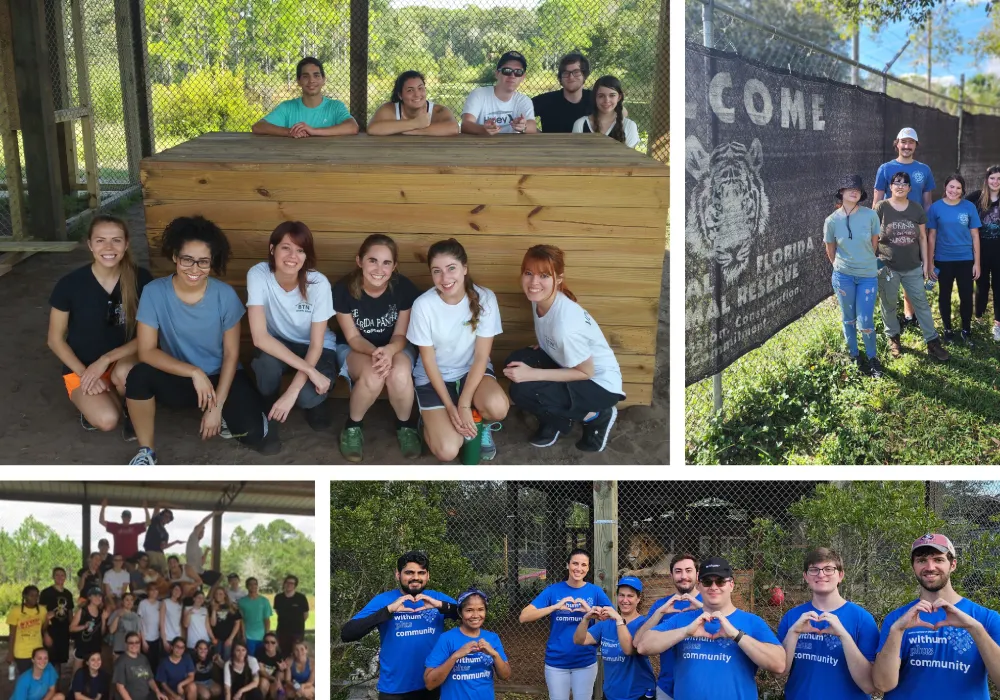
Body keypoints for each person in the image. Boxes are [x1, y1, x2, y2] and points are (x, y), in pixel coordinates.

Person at [124, 216, 279, 465]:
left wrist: (216, 407)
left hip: (221, 376)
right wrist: (194, 372)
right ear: (175, 256)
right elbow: (147, 351)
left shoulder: (224, 295)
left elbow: (231, 355)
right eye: (187, 259)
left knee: (256, 436)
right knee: (139, 375)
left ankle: (226, 412)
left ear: (212, 263)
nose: (194, 269)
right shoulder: (154, 292)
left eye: (203, 262)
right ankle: (146, 452)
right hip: (182, 376)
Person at [503, 245, 623, 452]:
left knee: (522, 388)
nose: (534, 282)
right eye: (529, 273)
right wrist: (547, 346)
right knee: (516, 360)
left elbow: (586, 372)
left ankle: (595, 416)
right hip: (569, 364)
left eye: (544, 275)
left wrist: (533, 373)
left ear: (558, 279)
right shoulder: (538, 298)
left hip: (599, 385)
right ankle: (557, 418)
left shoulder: (564, 325)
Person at [47, 214, 153, 437]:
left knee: (125, 373)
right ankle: (118, 403)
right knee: (106, 420)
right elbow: (54, 339)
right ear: (90, 245)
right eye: (100, 240)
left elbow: (149, 335)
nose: (108, 247)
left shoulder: (141, 279)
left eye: (116, 240)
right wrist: (86, 373)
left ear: (126, 244)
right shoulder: (70, 284)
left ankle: (127, 402)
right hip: (82, 366)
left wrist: (105, 360)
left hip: (122, 361)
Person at [407, 239, 509, 462]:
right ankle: (431, 420)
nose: (445, 278)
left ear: (465, 268)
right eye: (437, 271)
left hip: (470, 372)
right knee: (448, 451)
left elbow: (482, 356)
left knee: (498, 407)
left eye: (451, 268)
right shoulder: (423, 305)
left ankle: (481, 426)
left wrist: (463, 403)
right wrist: (451, 407)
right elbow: (428, 361)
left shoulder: (485, 298)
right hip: (435, 377)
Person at [636, 557, 786, 699]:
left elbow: (779, 665)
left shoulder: (752, 622)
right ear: (699, 585)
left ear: (731, 585)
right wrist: (686, 632)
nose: (714, 587)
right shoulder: (682, 619)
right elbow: (643, 646)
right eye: (707, 582)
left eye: (720, 581)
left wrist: (737, 635)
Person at [873, 533, 1000, 698]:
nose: (930, 567)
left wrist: (975, 629)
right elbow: (882, 684)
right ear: (913, 567)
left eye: (938, 559)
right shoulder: (897, 619)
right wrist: (897, 631)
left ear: (953, 564)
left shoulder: (986, 618)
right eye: (921, 560)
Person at [332, 234, 421, 461]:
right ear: (359, 261)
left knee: (399, 373)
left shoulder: (403, 288)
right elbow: (352, 337)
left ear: (394, 267)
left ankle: (405, 427)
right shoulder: (343, 289)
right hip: (356, 348)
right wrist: (376, 353)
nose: (379, 269)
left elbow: (401, 334)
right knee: (373, 374)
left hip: (395, 346)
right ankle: (352, 427)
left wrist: (389, 351)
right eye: (372, 260)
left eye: (387, 262)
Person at [247, 222, 338, 431]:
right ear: (273, 249)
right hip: (278, 342)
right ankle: (268, 404)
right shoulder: (259, 275)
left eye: (300, 250)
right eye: (285, 247)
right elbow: (260, 338)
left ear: (306, 256)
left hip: (315, 348)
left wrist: (292, 391)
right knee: (265, 363)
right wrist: (309, 372)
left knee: (306, 397)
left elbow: (316, 345)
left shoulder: (318, 283)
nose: (292, 256)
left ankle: (315, 402)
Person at [341, 550, 459, 699]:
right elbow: (348, 633)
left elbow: (469, 614)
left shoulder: (436, 598)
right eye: (409, 572)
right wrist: (388, 610)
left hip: (432, 685)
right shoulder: (384, 600)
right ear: (398, 575)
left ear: (428, 575)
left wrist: (441, 605)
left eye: (421, 573)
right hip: (394, 691)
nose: (416, 577)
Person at [777, 548, 878, 699]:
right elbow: (779, 672)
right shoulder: (792, 617)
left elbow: (869, 685)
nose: (821, 574)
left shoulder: (862, 619)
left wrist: (844, 636)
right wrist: (793, 633)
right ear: (805, 576)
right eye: (814, 570)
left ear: (840, 575)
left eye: (828, 569)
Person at [518, 548, 614, 700]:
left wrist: (589, 612)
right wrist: (554, 607)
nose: (579, 568)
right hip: (556, 662)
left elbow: (612, 619)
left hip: (585, 662)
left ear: (588, 568)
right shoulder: (553, 590)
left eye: (584, 565)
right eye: (575, 563)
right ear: (568, 565)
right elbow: (524, 616)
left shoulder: (594, 591)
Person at [874, 171, 950, 361]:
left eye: (904, 183)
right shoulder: (881, 207)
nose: (900, 186)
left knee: (921, 304)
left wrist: (926, 264)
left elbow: (923, 237)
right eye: (896, 182)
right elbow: (873, 236)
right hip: (887, 266)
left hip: (913, 266)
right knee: (888, 303)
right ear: (890, 187)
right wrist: (873, 261)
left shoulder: (916, 208)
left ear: (909, 188)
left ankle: (932, 342)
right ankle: (893, 338)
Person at [873, 127, 937, 328]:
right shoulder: (885, 168)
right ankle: (891, 322)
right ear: (897, 144)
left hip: (914, 233)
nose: (907, 146)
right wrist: (874, 230)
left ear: (916, 145)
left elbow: (927, 202)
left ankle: (910, 316)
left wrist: (927, 228)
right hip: (889, 234)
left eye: (911, 142)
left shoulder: (924, 170)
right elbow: (876, 201)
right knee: (890, 273)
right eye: (903, 142)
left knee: (912, 271)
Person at [823, 174, 884, 376]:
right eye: (849, 188)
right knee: (848, 318)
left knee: (865, 320)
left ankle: (872, 358)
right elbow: (830, 249)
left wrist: (864, 261)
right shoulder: (831, 220)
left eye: (857, 188)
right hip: (843, 276)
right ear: (841, 192)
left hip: (867, 274)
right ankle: (855, 356)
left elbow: (874, 244)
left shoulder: (870, 215)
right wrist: (840, 267)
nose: (854, 191)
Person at [632, 554, 703, 700]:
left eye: (688, 570)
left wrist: (703, 608)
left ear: (697, 574)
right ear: (671, 575)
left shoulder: (710, 602)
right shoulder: (662, 605)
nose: (684, 576)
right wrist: (660, 613)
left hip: (701, 688)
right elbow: (637, 643)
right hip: (667, 687)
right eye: (678, 571)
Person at [573, 576, 656, 700]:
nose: (625, 600)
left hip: (638, 694)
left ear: (638, 599)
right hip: (612, 693)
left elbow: (628, 650)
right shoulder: (606, 624)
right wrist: (586, 618)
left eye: (630, 596)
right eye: (621, 595)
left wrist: (618, 619)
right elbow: (579, 640)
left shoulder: (643, 624)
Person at [425, 589, 510, 699]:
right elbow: (430, 683)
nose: (475, 615)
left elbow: (505, 676)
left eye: (480, 610)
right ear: (460, 613)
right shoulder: (447, 638)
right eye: (469, 610)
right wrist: (455, 656)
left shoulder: (492, 638)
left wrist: (494, 654)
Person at [927, 173, 982, 345]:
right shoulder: (935, 208)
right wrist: (929, 263)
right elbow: (931, 237)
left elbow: (975, 236)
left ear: (962, 190)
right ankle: (948, 329)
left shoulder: (969, 207)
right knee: (945, 295)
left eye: (958, 188)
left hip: (965, 259)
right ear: (945, 187)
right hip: (943, 259)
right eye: (951, 186)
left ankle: (966, 329)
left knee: (966, 295)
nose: (954, 190)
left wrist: (977, 263)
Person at [251, 57, 358, 138]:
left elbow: (353, 127)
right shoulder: (287, 107)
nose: (311, 80)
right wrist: (290, 132)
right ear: (299, 81)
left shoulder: (335, 106)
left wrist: (313, 131)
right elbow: (258, 126)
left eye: (316, 75)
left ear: (323, 79)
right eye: (305, 76)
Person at [461, 51, 536, 135]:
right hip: (482, 145)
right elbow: (465, 125)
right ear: (497, 74)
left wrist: (524, 126)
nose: (512, 76)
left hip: (513, 146)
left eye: (518, 72)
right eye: (507, 71)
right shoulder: (479, 94)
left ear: (522, 77)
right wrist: (483, 129)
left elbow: (533, 127)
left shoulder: (524, 100)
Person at [367, 71, 459, 136]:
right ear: (400, 95)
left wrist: (413, 131)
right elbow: (372, 129)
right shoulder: (389, 109)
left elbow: (454, 128)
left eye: (420, 88)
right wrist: (415, 123)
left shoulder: (438, 110)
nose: (417, 94)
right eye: (410, 90)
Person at [969, 165, 1000, 339]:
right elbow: (957, 204)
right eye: (992, 178)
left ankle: (997, 324)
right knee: (981, 285)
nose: (995, 182)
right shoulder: (976, 198)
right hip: (980, 250)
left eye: (999, 178)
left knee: (998, 286)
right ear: (987, 179)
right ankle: (979, 318)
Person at [571, 75, 640, 148]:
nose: (606, 100)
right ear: (595, 98)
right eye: (601, 96)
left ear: (619, 97)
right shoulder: (580, 124)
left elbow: (629, 158)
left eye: (612, 95)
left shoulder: (629, 126)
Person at [532, 52, 592, 134]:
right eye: (566, 73)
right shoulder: (546, 100)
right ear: (560, 77)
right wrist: (541, 136)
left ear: (584, 75)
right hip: (552, 146)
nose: (571, 77)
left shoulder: (595, 99)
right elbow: (518, 114)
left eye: (576, 72)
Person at [6, 586, 50, 676]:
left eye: (37, 596)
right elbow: (12, 634)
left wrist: (47, 620)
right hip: (22, 652)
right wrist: (10, 653)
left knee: (38, 677)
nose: (35, 598)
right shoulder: (16, 611)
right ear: (25, 596)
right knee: (26, 678)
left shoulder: (42, 610)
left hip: (38, 650)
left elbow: (43, 629)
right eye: (31, 595)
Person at [39, 567, 74, 676]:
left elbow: (70, 613)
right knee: (49, 660)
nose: (60, 577)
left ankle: (56, 687)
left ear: (65, 577)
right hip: (50, 631)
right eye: (57, 575)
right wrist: (45, 633)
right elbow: (41, 614)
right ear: (53, 577)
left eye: (62, 575)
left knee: (59, 661)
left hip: (63, 632)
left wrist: (72, 630)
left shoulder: (68, 594)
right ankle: (47, 687)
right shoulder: (46, 593)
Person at [115, 631, 167, 700]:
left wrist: (158, 692)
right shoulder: (121, 661)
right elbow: (120, 687)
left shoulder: (143, 658)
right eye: (131, 643)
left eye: (137, 642)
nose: (134, 645)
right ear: (126, 644)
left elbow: (150, 679)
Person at [70, 589, 108, 674]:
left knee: (93, 673)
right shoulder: (82, 611)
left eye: (100, 596)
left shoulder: (102, 612)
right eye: (95, 595)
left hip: (95, 647)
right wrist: (84, 626)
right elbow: (71, 628)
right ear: (89, 597)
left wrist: (104, 620)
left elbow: (102, 633)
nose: (98, 598)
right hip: (82, 647)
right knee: (77, 673)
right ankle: (75, 687)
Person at [184, 512, 223, 587]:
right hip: (193, 573)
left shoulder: (199, 548)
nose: (202, 532)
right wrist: (213, 514)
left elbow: (201, 563)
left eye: (203, 531)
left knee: (219, 577)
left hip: (201, 572)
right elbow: (203, 522)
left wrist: (206, 551)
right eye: (200, 530)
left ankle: (210, 596)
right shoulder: (193, 538)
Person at [273, 576, 309, 655]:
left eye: (292, 583)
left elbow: (305, 615)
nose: (289, 585)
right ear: (284, 584)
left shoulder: (301, 598)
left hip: (297, 632)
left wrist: (296, 623)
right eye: (287, 582)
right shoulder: (278, 598)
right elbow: (277, 611)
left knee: (297, 654)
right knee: (282, 653)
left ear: (295, 585)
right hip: (282, 631)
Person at [237, 578, 273, 656]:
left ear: (257, 586)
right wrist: (243, 635)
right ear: (247, 586)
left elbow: (267, 619)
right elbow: (241, 620)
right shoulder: (241, 602)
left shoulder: (264, 601)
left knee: (261, 658)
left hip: (262, 636)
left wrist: (266, 635)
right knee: (251, 658)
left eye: (255, 584)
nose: (253, 586)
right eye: (250, 584)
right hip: (248, 636)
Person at [144, 506, 183, 575]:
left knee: (165, 572)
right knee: (153, 572)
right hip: (151, 551)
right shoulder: (155, 521)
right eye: (165, 516)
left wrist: (176, 542)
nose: (166, 518)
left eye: (169, 517)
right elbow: (158, 504)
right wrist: (175, 506)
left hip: (160, 553)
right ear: (161, 516)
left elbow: (163, 547)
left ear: (169, 520)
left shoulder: (166, 534)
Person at [209, 586, 243, 662]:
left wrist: (230, 638)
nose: (218, 595)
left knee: (227, 659)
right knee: (217, 659)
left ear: (225, 595)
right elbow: (213, 624)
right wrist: (214, 610)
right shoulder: (211, 607)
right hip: (217, 638)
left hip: (229, 638)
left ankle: (227, 673)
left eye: (221, 594)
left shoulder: (232, 607)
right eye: (216, 594)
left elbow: (237, 623)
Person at [139, 584, 164, 672]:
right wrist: (143, 641)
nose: (154, 592)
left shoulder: (160, 604)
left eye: (156, 590)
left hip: (156, 638)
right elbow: (140, 622)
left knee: (155, 663)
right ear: (148, 592)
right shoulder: (143, 603)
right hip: (146, 638)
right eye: (152, 590)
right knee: (146, 664)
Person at [254, 634, 287, 700]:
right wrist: (274, 679)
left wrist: (281, 669)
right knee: (264, 682)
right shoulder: (259, 653)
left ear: (277, 643)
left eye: (273, 642)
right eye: (267, 642)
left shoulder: (280, 655)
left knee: (281, 675)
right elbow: (262, 671)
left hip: (276, 679)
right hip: (264, 677)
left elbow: (281, 674)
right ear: (263, 643)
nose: (270, 644)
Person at [111, 592, 144, 657]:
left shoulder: (136, 616)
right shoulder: (116, 612)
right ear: (122, 602)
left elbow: (138, 634)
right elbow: (111, 630)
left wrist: (138, 650)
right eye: (127, 600)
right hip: (120, 646)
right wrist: (118, 616)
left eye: (131, 600)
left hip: (133, 648)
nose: (129, 602)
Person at [161, 583, 186, 652]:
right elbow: (162, 622)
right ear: (171, 590)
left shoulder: (180, 604)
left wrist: (182, 638)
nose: (177, 592)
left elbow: (180, 622)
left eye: (179, 590)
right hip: (168, 637)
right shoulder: (165, 602)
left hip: (177, 637)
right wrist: (164, 641)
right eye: (176, 589)